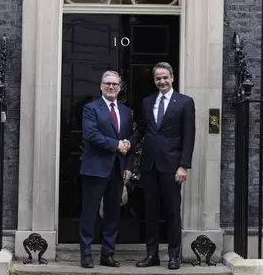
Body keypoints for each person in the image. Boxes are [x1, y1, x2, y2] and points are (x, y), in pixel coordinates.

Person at [129, 62, 196, 270]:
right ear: (154, 80)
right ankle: (152, 255)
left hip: (172, 166)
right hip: (149, 166)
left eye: (165, 77)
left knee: (172, 212)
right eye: (158, 78)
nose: (162, 81)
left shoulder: (185, 102)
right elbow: (141, 129)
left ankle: (174, 255)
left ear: (172, 77)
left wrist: (183, 165)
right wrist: (128, 143)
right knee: (150, 211)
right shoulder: (148, 102)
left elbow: (189, 135)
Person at [79, 71, 134, 268]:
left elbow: (128, 142)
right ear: (101, 86)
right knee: (89, 213)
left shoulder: (127, 112)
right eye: (108, 84)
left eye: (115, 84)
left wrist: (128, 166)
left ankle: (107, 254)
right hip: (95, 168)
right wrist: (115, 145)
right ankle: (86, 254)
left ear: (120, 88)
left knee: (112, 214)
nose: (111, 87)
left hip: (118, 170)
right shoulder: (91, 108)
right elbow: (90, 134)